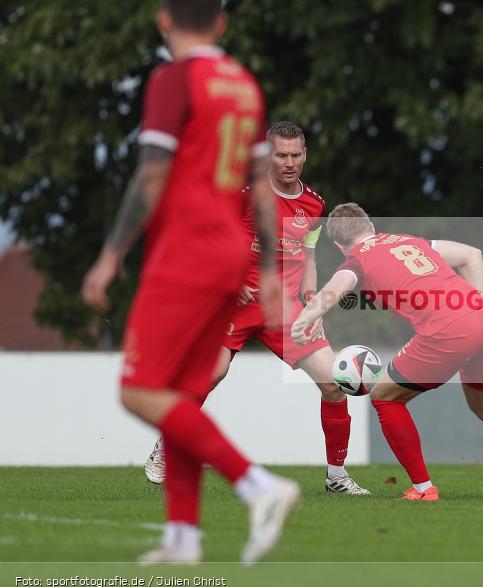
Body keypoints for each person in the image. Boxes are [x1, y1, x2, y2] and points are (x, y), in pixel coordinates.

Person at [81, 0, 298, 564]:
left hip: (186, 254)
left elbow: (151, 174)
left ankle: (257, 485)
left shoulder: (174, 79)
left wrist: (110, 255)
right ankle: (183, 537)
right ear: (221, 24)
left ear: (164, 20)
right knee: (179, 394)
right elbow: (261, 184)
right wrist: (271, 270)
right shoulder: (245, 85)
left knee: (137, 390)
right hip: (232, 255)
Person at [143, 121, 370, 496]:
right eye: (281, 155)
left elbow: (309, 253)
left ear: (305, 155)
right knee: (210, 374)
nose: (289, 162)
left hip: (287, 309)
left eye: (296, 155)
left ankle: (337, 477)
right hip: (238, 302)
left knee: (333, 385)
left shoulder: (314, 203)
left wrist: (311, 291)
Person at [290, 203, 483, 501]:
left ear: (338, 244)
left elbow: (338, 285)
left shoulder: (357, 259)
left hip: (447, 329)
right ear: (370, 227)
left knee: (384, 397)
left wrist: (306, 316)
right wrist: (481, 310)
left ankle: (424, 489)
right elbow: (471, 255)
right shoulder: (410, 241)